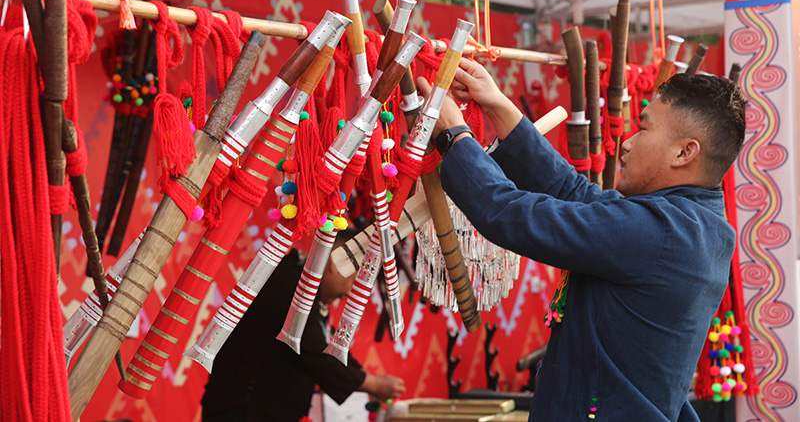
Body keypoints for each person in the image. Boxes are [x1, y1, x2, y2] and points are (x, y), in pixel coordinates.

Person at [416, 60, 746, 421]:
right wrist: (497, 104)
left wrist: (455, 137)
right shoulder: (695, 225)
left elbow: (511, 214)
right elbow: (573, 193)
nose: (628, 143)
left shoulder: (662, 233)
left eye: (643, 129)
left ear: (685, 152)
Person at [202, 231, 406, 422]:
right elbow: (316, 352)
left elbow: (329, 348)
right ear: (336, 263)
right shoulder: (292, 284)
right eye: (354, 280)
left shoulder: (302, 284)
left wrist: (363, 377)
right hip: (242, 410)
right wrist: (372, 383)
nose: (349, 293)